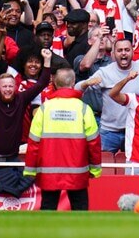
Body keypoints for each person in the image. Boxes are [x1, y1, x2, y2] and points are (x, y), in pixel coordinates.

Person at [25, 66, 101, 210]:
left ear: (54, 84)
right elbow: (94, 143)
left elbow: (34, 142)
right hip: (77, 172)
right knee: (80, 211)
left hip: (49, 172)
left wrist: (30, 170)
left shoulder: (44, 109)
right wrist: (95, 169)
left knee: (48, 211)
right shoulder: (84, 108)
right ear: (73, 83)